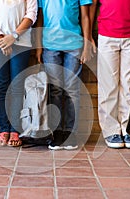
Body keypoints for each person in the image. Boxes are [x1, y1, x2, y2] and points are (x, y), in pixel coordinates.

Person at [93, 0, 130, 149]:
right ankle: (111, 131)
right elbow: (92, 6)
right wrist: (89, 37)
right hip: (107, 37)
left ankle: (129, 129)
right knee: (108, 86)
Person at [36, 0, 93, 150]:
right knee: (55, 89)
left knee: (72, 89)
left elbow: (85, 16)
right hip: (50, 46)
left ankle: (70, 132)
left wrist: (86, 46)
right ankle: (56, 132)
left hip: (74, 46)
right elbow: (40, 17)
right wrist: (38, 46)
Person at [0, 0, 37, 147]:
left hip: (21, 42)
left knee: (17, 87)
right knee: (1, 87)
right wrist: (0, 38)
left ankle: (15, 130)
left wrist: (13, 36)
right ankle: (4, 130)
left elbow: (32, 14)